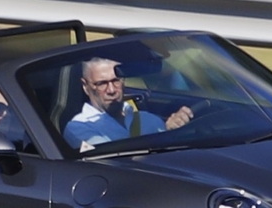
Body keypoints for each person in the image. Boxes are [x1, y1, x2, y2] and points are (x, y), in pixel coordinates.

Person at [64, 55, 193, 151]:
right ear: (86, 86)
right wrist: (162, 136)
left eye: (116, 80)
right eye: (102, 83)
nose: (111, 90)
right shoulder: (78, 127)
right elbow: (114, 162)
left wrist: (171, 131)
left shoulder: (147, 118)